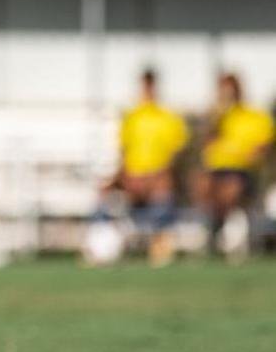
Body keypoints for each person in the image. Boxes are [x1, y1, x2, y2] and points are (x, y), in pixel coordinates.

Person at [89, 69, 189, 266]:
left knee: (163, 190)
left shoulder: (168, 118)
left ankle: (160, 246)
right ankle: (98, 248)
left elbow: (177, 157)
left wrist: (154, 177)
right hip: (132, 179)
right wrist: (122, 178)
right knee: (103, 194)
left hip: (158, 179)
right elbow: (124, 155)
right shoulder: (131, 118)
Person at [194, 72, 275, 255]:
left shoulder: (255, 116)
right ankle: (213, 232)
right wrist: (217, 116)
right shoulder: (218, 117)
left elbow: (264, 147)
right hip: (216, 170)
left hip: (243, 171)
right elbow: (205, 143)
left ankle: (224, 233)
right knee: (203, 184)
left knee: (231, 187)